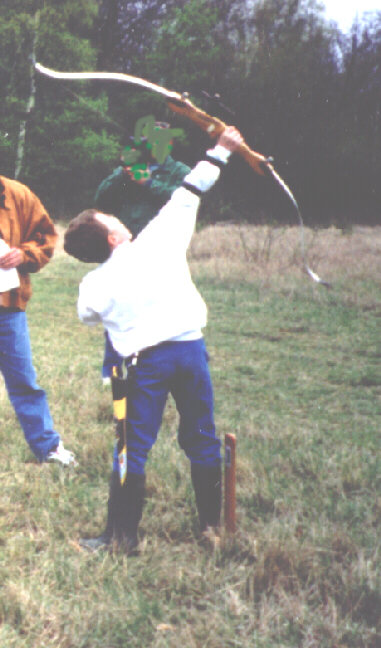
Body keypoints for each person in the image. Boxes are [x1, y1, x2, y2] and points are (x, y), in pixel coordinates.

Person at [64, 126, 243, 552]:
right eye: (113, 220)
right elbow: (189, 188)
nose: (121, 219)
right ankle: (210, 529)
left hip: (140, 365)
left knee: (131, 447)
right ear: (114, 237)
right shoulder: (159, 239)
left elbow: (87, 314)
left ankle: (121, 538)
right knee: (201, 437)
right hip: (190, 354)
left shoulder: (94, 284)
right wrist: (222, 150)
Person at [94, 123, 190, 383]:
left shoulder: (179, 171)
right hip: (126, 250)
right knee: (118, 308)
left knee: (159, 311)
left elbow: (184, 201)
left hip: (162, 253)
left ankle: (156, 366)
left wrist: (148, 183)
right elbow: (101, 199)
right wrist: (123, 173)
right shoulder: (130, 168)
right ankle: (112, 368)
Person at [0, 175, 75, 465]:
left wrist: (23, 254)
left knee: (24, 381)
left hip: (9, 307)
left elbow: (45, 238)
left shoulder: (17, 194)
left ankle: (48, 448)